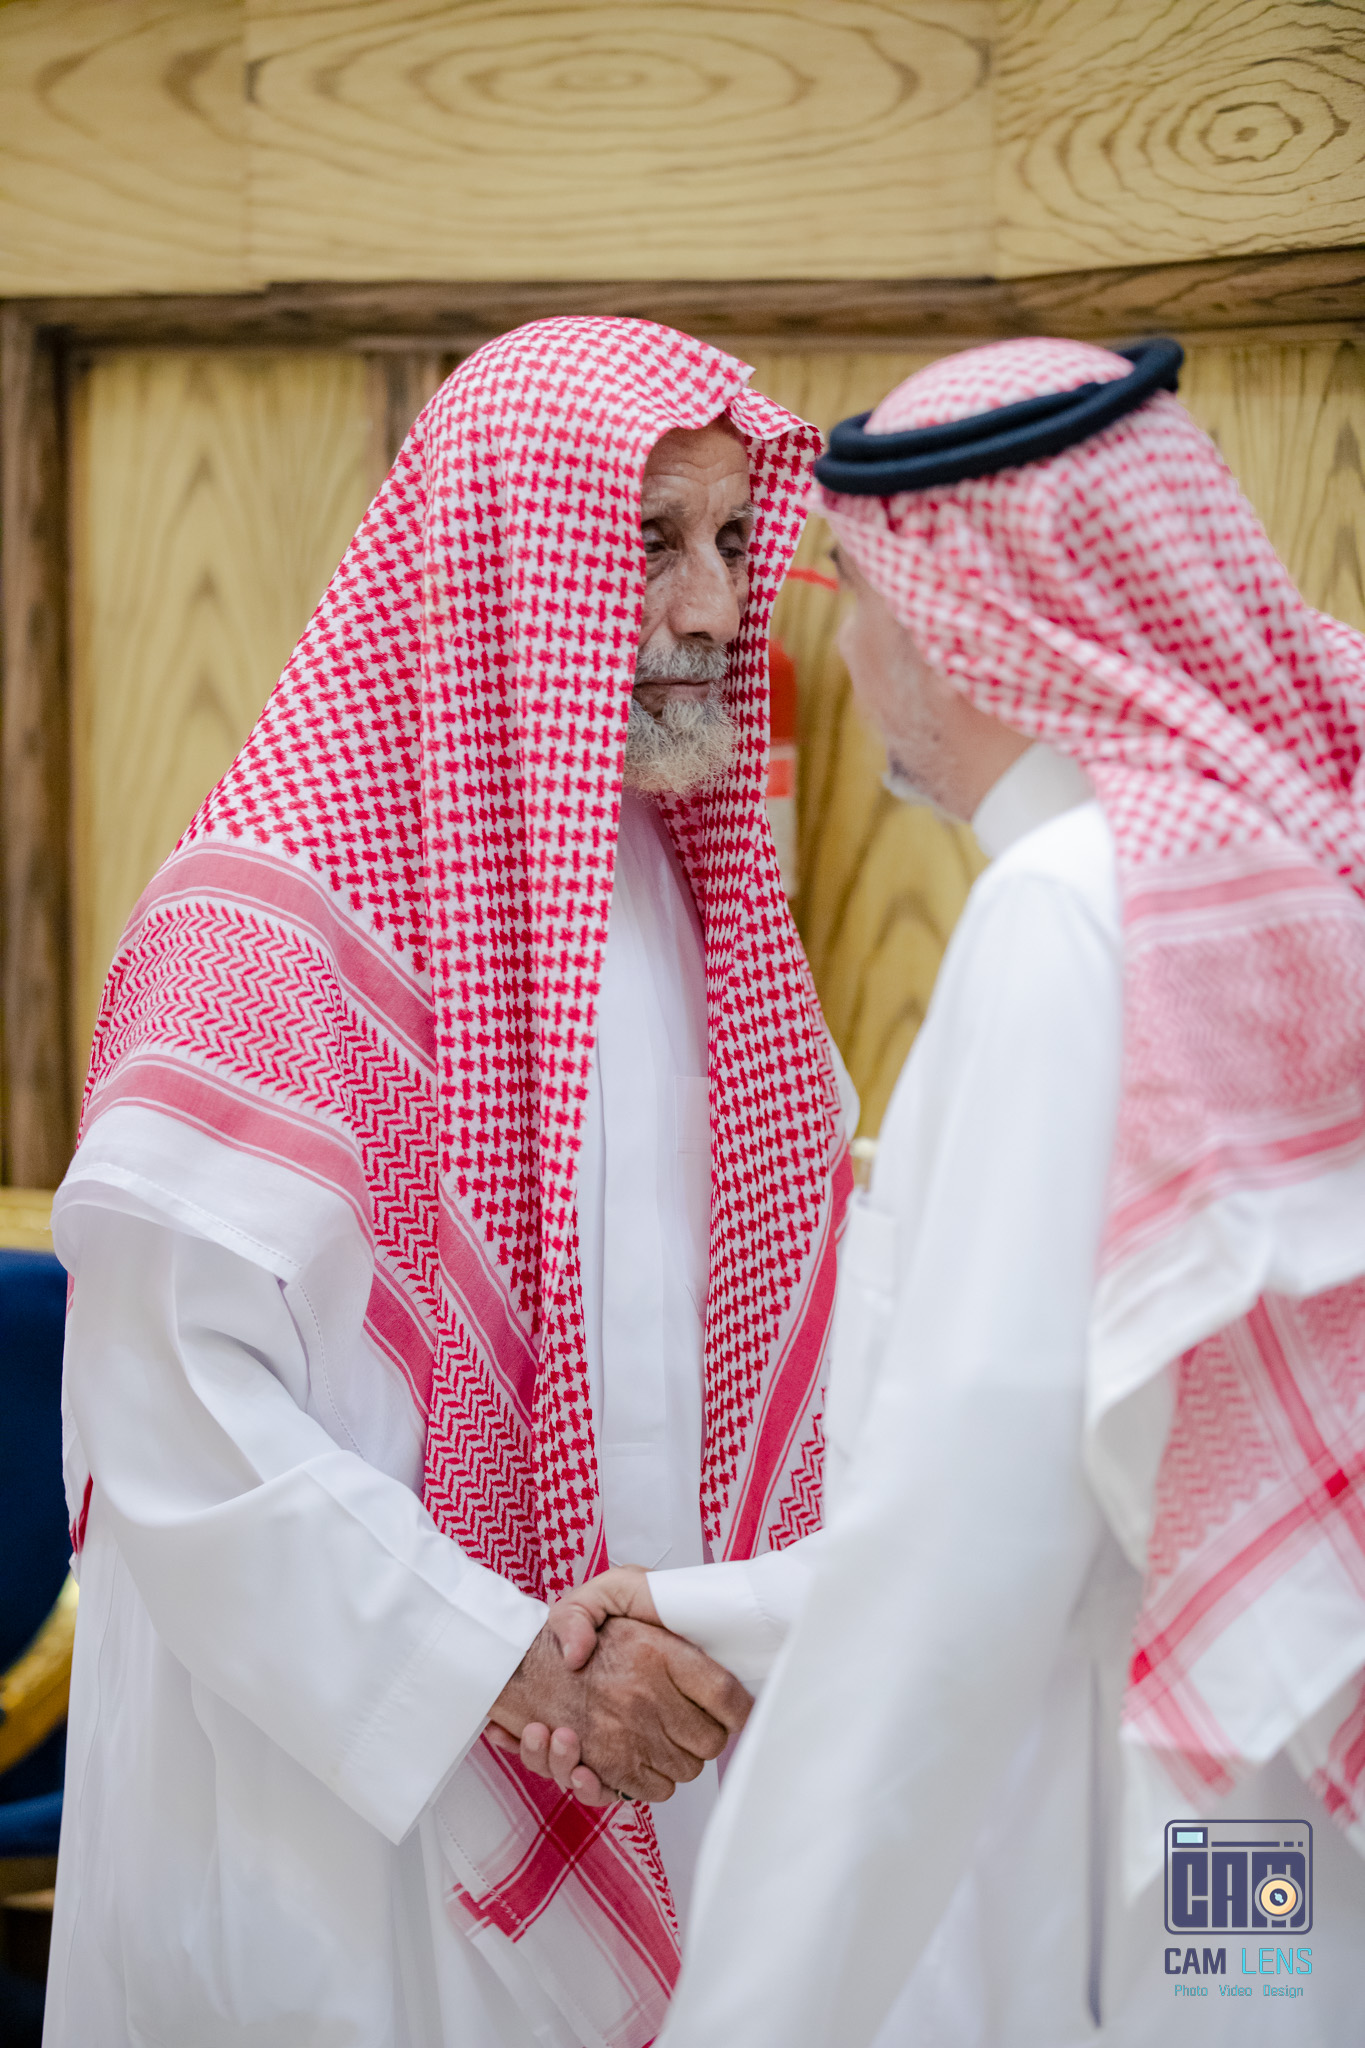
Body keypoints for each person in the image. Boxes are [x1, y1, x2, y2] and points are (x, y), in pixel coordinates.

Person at [46, 318, 853, 2048]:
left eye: (732, 539)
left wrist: (707, 1634)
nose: (717, 607)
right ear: (506, 559)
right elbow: (168, 1413)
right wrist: (494, 1660)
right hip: (344, 1796)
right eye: (652, 540)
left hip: (662, 1723)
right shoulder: (256, 933)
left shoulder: (701, 904)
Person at [648, 337, 1365, 2046]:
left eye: (858, 596)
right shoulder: (1267, 857)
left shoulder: (1075, 909)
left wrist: (751, 2014)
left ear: (964, 619)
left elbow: (966, 1536)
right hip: (1266, 1734)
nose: (849, 652)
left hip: (1171, 1791)